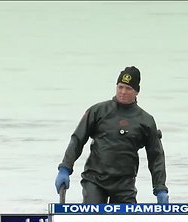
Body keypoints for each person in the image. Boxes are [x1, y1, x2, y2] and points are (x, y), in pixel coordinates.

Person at [54, 66, 169, 204]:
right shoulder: (98, 111)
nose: (123, 92)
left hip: (125, 185)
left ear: (137, 91)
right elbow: (77, 139)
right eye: (120, 87)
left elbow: (156, 157)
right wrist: (65, 168)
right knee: (94, 221)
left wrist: (160, 188)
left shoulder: (145, 121)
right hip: (95, 181)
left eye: (128, 89)